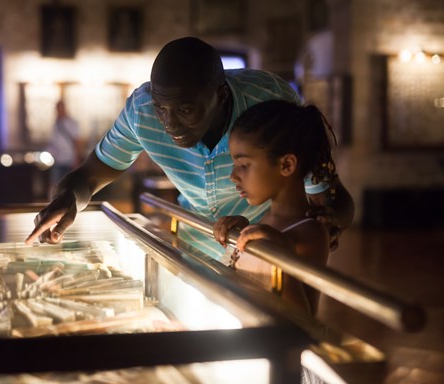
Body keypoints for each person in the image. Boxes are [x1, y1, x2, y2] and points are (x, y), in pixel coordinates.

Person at [25, 36, 354, 261]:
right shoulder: (141, 111)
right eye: (161, 107)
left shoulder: (267, 103)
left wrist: (321, 227)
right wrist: (67, 199)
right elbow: (88, 176)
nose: (168, 123)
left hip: (265, 246)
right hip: (194, 240)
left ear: (220, 96)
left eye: (185, 109)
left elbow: (327, 197)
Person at [213, 99, 337, 314]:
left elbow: (302, 318)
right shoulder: (266, 219)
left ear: (286, 165)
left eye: (243, 165)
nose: (233, 176)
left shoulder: (311, 232)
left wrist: (280, 253)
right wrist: (240, 233)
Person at [46, 100, 82, 196]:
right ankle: (54, 202)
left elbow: (77, 142)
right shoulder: (55, 124)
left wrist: (76, 158)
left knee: (69, 184)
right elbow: (53, 142)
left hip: (70, 159)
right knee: (55, 183)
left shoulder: (72, 123)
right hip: (58, 160)